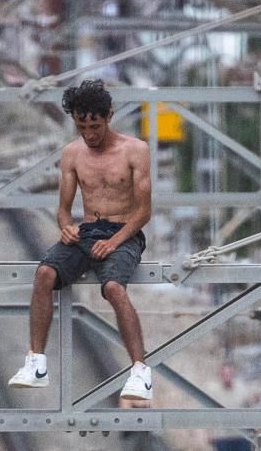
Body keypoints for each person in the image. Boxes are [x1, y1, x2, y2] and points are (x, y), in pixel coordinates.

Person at [8, 79, 153, 404]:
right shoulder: (72, 154)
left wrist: (114, 242)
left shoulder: (135, 151)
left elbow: (144, 211)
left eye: (95, 126)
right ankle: (36, 362)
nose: (89, 133)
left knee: (114, 288)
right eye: (82, 125)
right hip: (86, 231)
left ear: (109, 116)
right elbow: (62, 209)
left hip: (124, 232)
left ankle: (141, 372)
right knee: (45, 274)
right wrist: (66, 227)